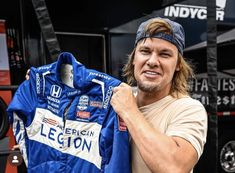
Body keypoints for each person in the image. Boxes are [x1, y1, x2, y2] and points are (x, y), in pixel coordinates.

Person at [110, 17, 208, 173]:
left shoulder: (188, 109)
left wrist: (129, 111)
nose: (153, 61)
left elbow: (174, 167)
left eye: (165, 54)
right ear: (134, 58)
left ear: (177, 65)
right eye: (145, 51)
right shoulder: (117, 98)